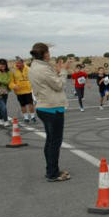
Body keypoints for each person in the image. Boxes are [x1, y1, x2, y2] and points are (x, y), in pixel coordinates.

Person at [28, 42, 71, 182]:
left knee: (50, 141)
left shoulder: (35, 66)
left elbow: (49, 83)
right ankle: (53, 173)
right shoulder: (43, 69)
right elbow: (59, 85)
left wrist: (57, 72)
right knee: (54, 143)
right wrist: (64, 71)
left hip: (44, 107)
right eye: (48, 51)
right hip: (52, 108)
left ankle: (51, 170)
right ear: (44, 53)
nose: (50, 54)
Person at [0, 59, 12, 127]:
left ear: (6, 65)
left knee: (2, 106)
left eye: (3, 64)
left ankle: (0, 119)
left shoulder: (8, 72)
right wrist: (3, 82)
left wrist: (0, 81)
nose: (2, 66)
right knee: (3, 107)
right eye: (0, 64)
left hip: (5, 91)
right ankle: (6, 121)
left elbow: (8, 81)